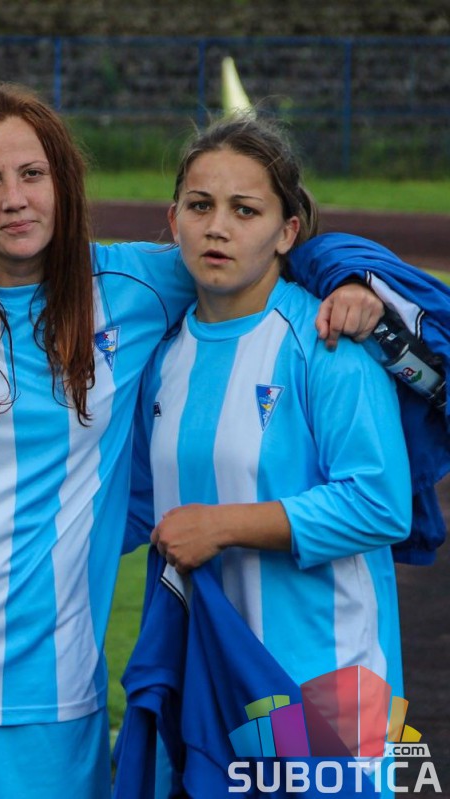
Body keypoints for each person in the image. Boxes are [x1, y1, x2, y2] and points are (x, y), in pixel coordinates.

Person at [0, 82, 383, 797]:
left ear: (64, 184)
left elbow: (262, 242)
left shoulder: (136, 285)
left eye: (32, 174)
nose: (14, 199)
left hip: (54, 692)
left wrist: (351, 279)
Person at [119, 114, 411, 796]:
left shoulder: (327, 342)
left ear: (287, 232)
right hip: (210, 678)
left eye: (244, 210)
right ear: (174, 221)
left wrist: (221, 526)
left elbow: (380, 503)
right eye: (200, 206)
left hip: (331, 683)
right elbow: (131, 507)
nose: (217, 227)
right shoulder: (162, 359)